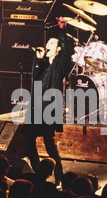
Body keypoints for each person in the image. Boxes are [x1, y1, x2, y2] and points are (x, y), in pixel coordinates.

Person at [23, 16, 72, 186]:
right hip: (36, 107)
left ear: (58, 49)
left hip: (50, 107)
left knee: (49, 143)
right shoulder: (43, 65)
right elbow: (34, 80)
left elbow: (67, 51)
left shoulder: (60, 64)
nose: (47, 46)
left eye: (51, 44)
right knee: (28, 140)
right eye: (48, 43)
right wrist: (38, 59)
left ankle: (59, 178)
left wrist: (62, 31)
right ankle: (39, 172)